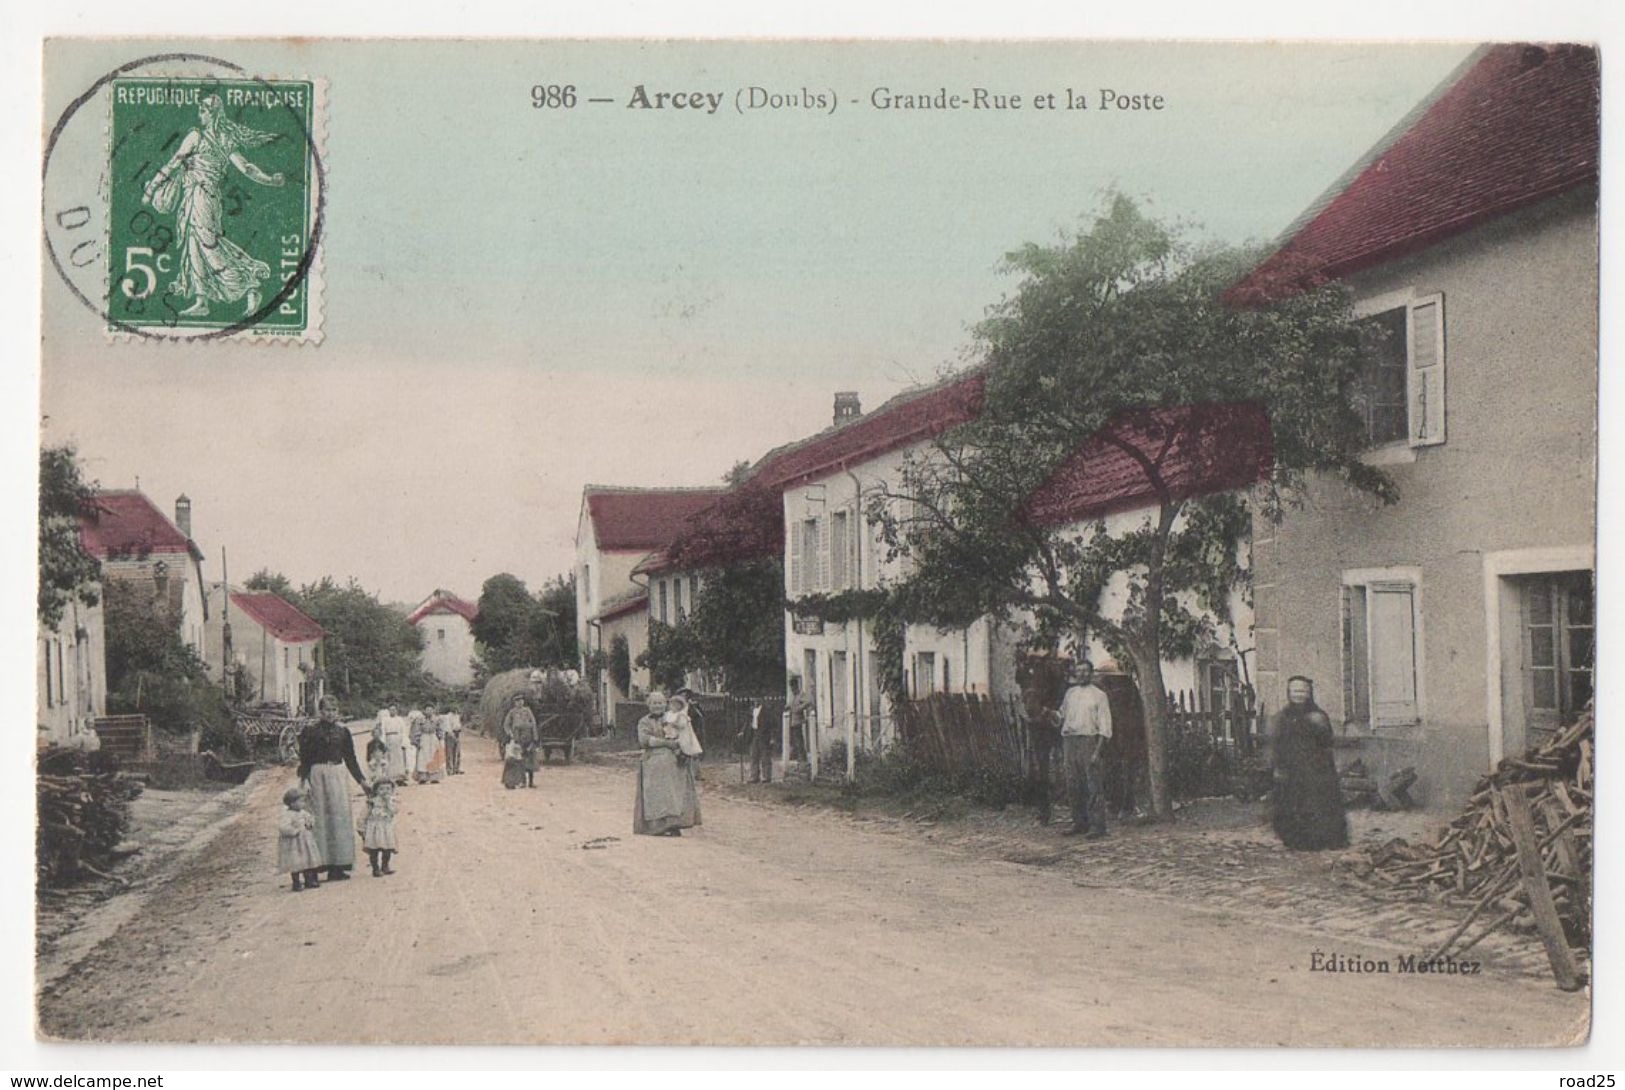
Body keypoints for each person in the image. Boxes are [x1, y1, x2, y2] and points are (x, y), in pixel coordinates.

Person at [141, 94, 285, 319]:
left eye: (203, 110)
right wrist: (269, 180)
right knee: (194, 244)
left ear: (212, 113)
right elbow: (246, 167)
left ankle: (249, 285)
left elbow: (174, 162)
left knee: (208, 246)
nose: (200, 114)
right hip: (204, 198)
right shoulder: (225, 139)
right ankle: (201, 300)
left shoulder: (195, 136)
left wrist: (151, 189)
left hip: (200, 197)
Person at [1270, 676, 1350, 851]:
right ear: (1289, 693)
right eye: (1295, 691)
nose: (1299, 695)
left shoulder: (1318, 717)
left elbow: (1326, 743)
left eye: (1303, 691)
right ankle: (1295, 840)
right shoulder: (1284, 717)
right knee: (1290, 803)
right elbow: (1278, 743)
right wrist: (1279, 764)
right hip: (1291, 769)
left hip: (1315, 769)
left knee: (1315, 805)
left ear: (1309, 693)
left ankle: (1320, 840)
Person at [296, 698, 368, 881]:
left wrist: (362, 781)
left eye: (334, 709)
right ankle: (315, 866)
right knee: (319, 820)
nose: (330, 713)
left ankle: (337, 866)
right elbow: (305, 759)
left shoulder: (343, 732)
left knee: (339, 819)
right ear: (320, 711)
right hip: (317, 775)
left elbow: (350, 758)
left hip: (337, 775)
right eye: (327, 710)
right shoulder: (310, 731)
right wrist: (303, 782)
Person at [1057, 660, 1113, 838]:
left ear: (1091, 674)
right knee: (1073, 784)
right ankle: (1079, 823)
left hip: (1089, 740)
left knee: (1092, 784)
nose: (1081, 674)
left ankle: (1098, 826)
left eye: (1085, 671)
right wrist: (1047, 714)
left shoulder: (1099, 695)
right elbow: (1061, 716)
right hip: (1069, 741)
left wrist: (1097, 751)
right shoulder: (1070, 693)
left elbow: (1105, 727)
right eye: (1078, 671)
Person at [633, 690, 701, 836]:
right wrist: (666, 743)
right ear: (648, 705)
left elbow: (685, 734)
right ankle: (655, 826)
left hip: (674, 763)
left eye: (660, 703)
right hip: (653, 763)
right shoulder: (644, 721)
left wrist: (684, 747)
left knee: (674, 794)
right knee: (655, 794)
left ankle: (674, 825)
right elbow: (644, 740)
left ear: (666, 704)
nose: (657, 706)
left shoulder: (673, 718)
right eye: (654, 703)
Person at [276, 786, 322, 892]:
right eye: (300, 802)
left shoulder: (303, 813)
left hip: (305, 842)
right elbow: (283, 827)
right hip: (294, 843)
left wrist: (310, 823)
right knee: (295, 862)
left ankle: (309, 880)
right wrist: (294, 831)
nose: (303, 804)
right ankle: (296, 882)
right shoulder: (287, 815)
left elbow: (310, 820)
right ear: (292, 803)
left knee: (307, 859)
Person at [362, 779, 399, 877]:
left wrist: (388, 802)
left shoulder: (392, 801)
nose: (385, 791)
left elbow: (394, 811)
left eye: (388, 789)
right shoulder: (372, 802)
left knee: (387, 849)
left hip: (386, 828)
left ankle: (385, 866)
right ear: (376, 791)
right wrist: (362, 826)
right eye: (381, 789)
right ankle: (375, 868)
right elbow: (364, 814)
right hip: (374, 828)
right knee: (374, 850)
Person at [502, 695, 539, 789]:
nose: (520, 703)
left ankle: (531, 782)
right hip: (518, 738)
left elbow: (533, 723)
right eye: (518, 701)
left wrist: (535, 738)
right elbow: (506, 725)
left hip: (528, 737)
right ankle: (522, 781)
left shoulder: (527, 711)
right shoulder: (512, 712)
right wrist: (511, 734)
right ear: (515, 703)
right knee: (519, 760)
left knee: (531, 760)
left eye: (521, 700)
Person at [410, 709, 444, 784]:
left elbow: (440, 730)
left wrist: (440, 738)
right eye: (427, 710)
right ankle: (423, 777)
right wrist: (417, 741)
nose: (429, 711)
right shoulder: (420, 720)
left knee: (433, 757)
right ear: (424, 711)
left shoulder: (436, 719)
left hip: (433, 738)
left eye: (431, 710)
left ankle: (434, 777)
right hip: (424, 738)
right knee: (423, 758)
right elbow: (417, 730)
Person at [785, 675, 813, 762]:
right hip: (792, 722)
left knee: (799, 742)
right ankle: (799, 759)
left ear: (796, 686)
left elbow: (808, 702)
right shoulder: (793, 696)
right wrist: (788, 707)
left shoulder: (801, 694)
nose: (792, 689)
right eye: (791, 688)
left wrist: (799, 708)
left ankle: (803, 759)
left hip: (798, 721)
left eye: (793, 687)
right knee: (795, 742)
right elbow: (790, 705)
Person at [746, 701, 773, 784]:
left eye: (757, 698)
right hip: (754, 733)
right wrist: (743, 732)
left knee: (765, 756)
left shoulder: (766, 710)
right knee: (753, 755)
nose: (755, 701)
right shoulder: (751, 710)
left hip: (763, 735)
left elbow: (770, 724)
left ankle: (766, 776)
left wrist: (771, 737)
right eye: (754, 699)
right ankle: (754, 776)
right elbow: (747, 723)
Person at [441, 707, 463, 775]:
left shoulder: (457, 716)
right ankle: (449, 769)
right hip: (450, 735)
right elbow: (447, 728)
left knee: (457, 752)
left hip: (457, 733)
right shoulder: (447, 717)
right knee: (449, 753)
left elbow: (458, 725)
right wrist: (452, 735)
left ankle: (456, 768)